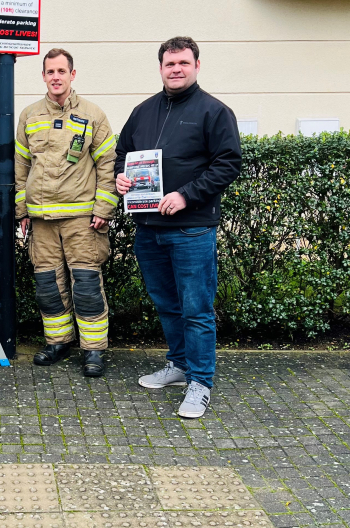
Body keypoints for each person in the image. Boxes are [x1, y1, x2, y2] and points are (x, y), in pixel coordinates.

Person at [114, 37, 242, 418]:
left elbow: (227, 163)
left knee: (196, 310)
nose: (176, 69)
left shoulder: (214, 112)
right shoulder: (143, 111)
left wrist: (187, 194)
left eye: (183, 63)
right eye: (170, 64)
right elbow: (124, 153)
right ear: (160, 68)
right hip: (148, 228)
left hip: (191, 229)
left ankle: (200, 382)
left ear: (197, 66)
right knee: (167, 304)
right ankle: (179, 364)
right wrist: (122, 177)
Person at [15, 48, 120, 377]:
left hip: (81, 220)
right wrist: (22, 211)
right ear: (43, 76)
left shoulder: (93, 114)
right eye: (50, 71)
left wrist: (104, 207)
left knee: (86, 285)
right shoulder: (29, 115)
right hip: (42, 220)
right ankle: (58, 342)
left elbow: (108, 164)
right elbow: (21, 168)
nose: (56, 77)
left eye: (62, 71)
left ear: (73, 75)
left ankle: (93, 351)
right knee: (48, 285)